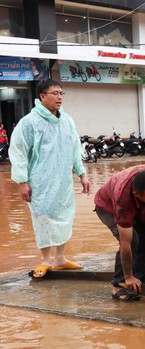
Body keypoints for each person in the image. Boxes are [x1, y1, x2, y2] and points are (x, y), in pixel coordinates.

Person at [9, 79, 90, 277]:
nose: (60, 97)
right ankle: (46, 260)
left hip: (63, 181)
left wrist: (82, 174)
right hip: (40, 182)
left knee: (64, 216)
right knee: (43, 217)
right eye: (55, 93)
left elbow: (74, 149)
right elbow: (18, 152)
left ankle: (61, 258)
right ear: (42, 96)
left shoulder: (67, 120)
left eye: (62, 93)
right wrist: (22, 182)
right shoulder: (29, 122)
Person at [94, 165, 145, 301]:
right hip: (107, 207)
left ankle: (139, 280)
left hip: (138, 206)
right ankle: (119, 284)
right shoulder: (123, 200)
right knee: (133, 240)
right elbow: (125, 243)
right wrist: (128, 276)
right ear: (136, 195)